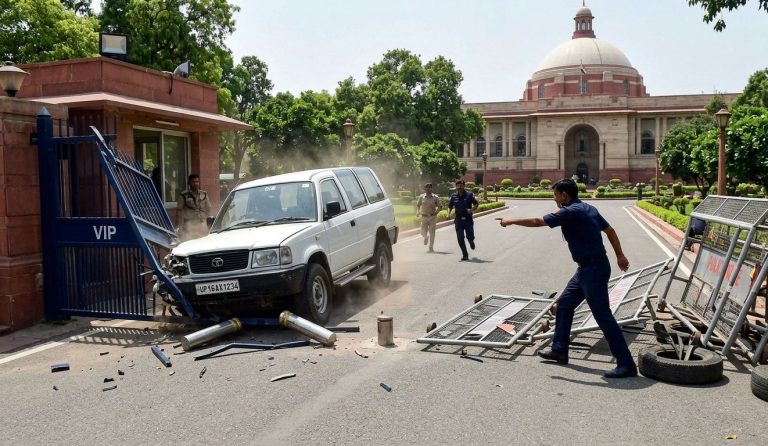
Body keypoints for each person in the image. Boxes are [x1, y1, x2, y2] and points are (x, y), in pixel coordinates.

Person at [498, 178, 637, 378]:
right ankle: (559, 350)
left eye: (555, 195)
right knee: (564, 305)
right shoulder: (588, 208)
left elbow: (538, 222)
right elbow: (610, 231)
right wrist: (620, 255)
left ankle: (626, 363)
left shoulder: (570, 211)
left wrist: (511, 220)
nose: (554, 199)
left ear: (564, 195)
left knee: (603, 316)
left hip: (593, 270)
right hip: (586, 269)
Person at [447, 179, 479, 261]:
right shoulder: (453, 196)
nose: (459, 187)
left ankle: (471, 240)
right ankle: (465, 255)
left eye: (461, 185)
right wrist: (448, 214)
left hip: (468, 220)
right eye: (458, 185)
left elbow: (476, 204)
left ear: (464, 186)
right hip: (458, 220)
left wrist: (471, 210)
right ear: (456, 186)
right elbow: (450, 206)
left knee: (470, 236)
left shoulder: (469, 195)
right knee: (460, 238)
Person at [177, 173, 211, 240]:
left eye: (197, 182)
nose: (195, 184)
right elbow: (179, 212)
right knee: (190, 242)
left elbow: (208, 208)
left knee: (204, 241)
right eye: (193, 182)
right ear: (189, 183)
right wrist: (180, 227)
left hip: (202, 223)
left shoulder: (204, 194)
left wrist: (206, 220)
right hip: (189, 224)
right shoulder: (183, 195)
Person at [415, 183, 442, 252]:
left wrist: (436, 212)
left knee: (432, 232)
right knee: (422, 231)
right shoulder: (421, 197)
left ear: (432, 188)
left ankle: (431, 247)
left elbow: (440, 206)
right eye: (427, 187)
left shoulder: (435, 197)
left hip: (432, 217)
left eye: (430, 187)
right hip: (424, 216)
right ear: (424, 189)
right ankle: (426, 237)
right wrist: (418, 211)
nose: (428, 188)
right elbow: (418, 205)